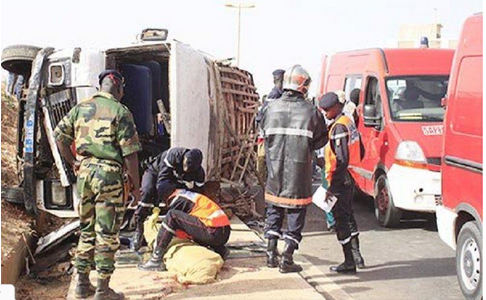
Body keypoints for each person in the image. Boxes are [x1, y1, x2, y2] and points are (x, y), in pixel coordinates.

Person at [54, 70, 142, 300]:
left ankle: (82, 285)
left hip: (85, 174)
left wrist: (73, 162)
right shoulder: (120, 111)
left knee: (86, 230)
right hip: (109, 176)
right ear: (119, 88)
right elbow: (130, 154)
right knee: (107, 233)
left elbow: (59, 137)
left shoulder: (81, 108)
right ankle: (102, 290)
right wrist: (135, 187)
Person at [260, 65, 327, 273]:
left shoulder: (269, 108)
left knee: (274, 211)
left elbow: (263, 134)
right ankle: (286, 259)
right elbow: (320, 141)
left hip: (274, 172)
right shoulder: (311, 111)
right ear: (303, 85)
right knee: (295, 217)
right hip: (299, 175)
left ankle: (271, 255)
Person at [318, 92, 365, 274]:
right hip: (350, 177)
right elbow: (359, 148)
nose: (325, 114)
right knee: (349, 216)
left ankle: (349, 261)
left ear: (336, 107)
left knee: (341, 221)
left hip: (340, 180)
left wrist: (333, 187)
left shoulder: (338, 127)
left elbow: (341, 159)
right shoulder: (348, 121)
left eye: (327, 110)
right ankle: (357, 256)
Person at [132, 147, 206, 251]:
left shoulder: (199, 173)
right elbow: (162, 184)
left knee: (182, 201)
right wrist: (168, 203)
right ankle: (139, 230)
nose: (186, 169)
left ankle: (174, 231)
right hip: (156, 173)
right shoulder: (173, 155)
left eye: (189, 169)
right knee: (147, 191)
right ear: (184, 158)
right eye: (185, 165)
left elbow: (199, 195)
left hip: (174, 181)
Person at [139, 189, 231, 271]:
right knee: (191, 226)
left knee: (172, 216)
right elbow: (188, 226)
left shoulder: (177, 200)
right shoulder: (186, 195)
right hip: (223, 232)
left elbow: (173, 224)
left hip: (213, 231)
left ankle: (156, 259)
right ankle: (220, 249)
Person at [256, 69, 285, 180]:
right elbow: (262, 115)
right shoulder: (275, 95)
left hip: (273, 132)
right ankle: (263, 179)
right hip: (271, 133)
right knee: (265, 158)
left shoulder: (281, 94)